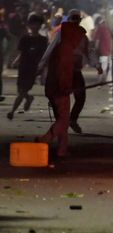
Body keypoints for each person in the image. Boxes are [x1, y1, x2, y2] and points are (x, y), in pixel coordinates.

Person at [37, 13, 87, 156]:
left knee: (62, 116)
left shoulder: (73, 36)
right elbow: (49, 53)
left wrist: (40, 68)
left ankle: (62, 149)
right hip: (60, 82)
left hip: (59, 80)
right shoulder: (71, 36)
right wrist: (40, 67)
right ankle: (46, 138)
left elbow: (49, 53)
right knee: (63, 118)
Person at [7, 14, 47, 120]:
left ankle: (12, 111)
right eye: (32, 24)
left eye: (37, 24)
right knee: (21, 90)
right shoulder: (24, 39)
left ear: (40, 25)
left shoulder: (43, 40)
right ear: (29, 25)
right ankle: (29, 98)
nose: (34, 26)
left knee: (22, 90)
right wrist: (16, 61)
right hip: (23, 67)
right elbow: (21, 53)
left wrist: (43, 68)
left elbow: (44, 56)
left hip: (33, 69)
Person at [92, 16, 112, 86]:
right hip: (110, 50)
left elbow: (97, 39)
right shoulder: (110, 28)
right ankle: (109, 80)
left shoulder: (100, 28)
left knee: (103, 67)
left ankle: (99, 81)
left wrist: (95, 48)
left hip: (103, 50)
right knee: (109, 67)